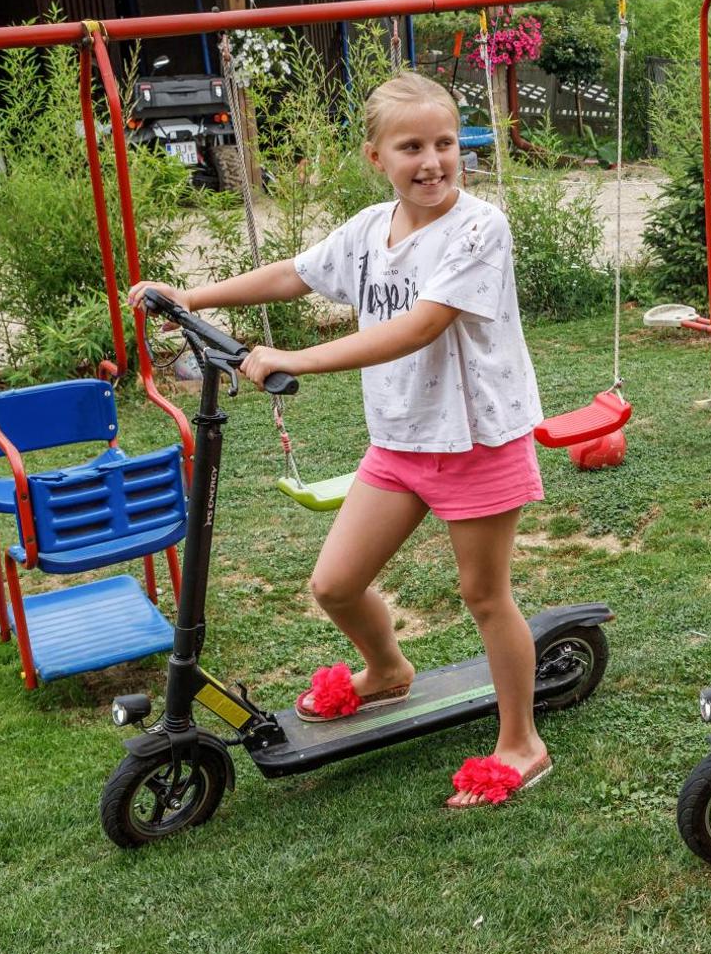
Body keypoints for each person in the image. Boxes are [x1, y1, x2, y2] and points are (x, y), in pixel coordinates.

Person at [130, 71, 550, 809]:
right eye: (410, 146)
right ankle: (387, 670)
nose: (432, 161)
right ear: (376, 157)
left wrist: (294, 358)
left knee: (485, 595)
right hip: (400, 441)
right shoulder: (367, 230)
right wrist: (192, 297)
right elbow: (295, 274)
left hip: (476, 439)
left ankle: (522, 742)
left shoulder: (480, 228)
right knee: (335, 584)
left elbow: (421, 326)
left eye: (445, 143)